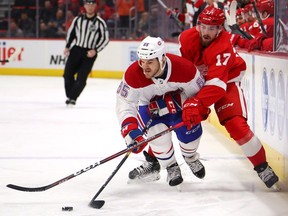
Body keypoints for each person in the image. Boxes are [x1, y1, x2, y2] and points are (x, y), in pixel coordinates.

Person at [178, 6, 279, 189]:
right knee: (175, 112)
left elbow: (217, 85)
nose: (206, 32)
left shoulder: (223, 46)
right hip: (202, 81)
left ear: (220, 29)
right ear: (198, 24)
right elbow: (185, 68)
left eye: (212, 28)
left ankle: (262, 167)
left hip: (228, 80)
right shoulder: (186, 38)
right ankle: (156, 158)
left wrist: (198, 102)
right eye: (203, 26)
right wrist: (194, 101)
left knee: (235, 124)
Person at [116, 36, 209, 186]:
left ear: (162, 59)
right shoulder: (133, 74)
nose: (144, 66)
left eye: (150, 62)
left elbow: (200, 94)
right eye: (142, 61)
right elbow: (125, 102)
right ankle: (170, 166)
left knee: (190, 138)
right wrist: (130, 130)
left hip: (181, 110)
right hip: (151, 110)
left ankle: (190, 157)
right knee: (158, 140)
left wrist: (180, 103)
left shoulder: (184, 69)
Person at [63, 0, 109, 106]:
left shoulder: (100, 22)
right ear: (84, 6)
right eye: (88, 4)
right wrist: (67, 46)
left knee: (81, 78)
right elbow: (71, 33)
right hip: (76, 50)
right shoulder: (78, 20)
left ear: (95, 6)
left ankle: (72, 98)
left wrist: (95, 50)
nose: (90, 6)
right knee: (67, 74)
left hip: (89, 53)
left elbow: (105, 39)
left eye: (92, 4)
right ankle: (70, 95)